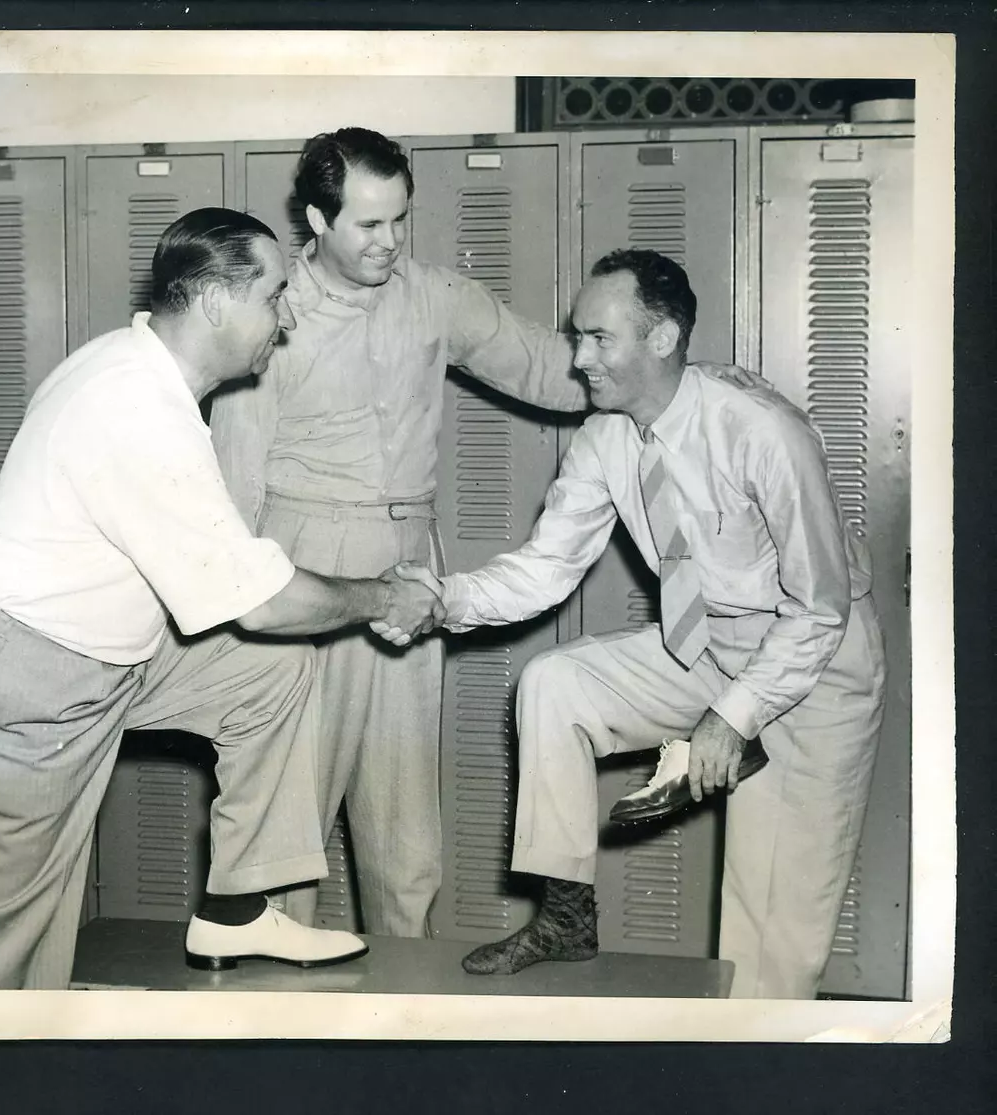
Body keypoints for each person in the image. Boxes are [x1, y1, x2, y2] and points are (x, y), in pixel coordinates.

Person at [210, 127, 755, 939]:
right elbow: (232, 482)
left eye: (400, 219)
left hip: (406, 569)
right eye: (367, 224)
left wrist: (683, 376)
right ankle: (278, 1010)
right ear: (318, 220)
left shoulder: (436, 297)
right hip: (302, 569)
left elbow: (555, 369)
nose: (389, 242)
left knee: (405, 827)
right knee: (289, 817)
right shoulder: (274, 318)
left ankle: (403, 1010)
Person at [0, 207, 443, 990]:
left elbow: (238, 606)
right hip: (16, 687)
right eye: (273, 296)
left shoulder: (135, 367)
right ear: (216, 302)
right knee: (11, 960)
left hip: (95, 658)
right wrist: (384, 596)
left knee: (264, 673)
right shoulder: (139, 408)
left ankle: (237, 908)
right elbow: (261, 601)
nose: (287, 315)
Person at [389, 248, 886, 999]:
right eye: (577, 337)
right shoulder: (607, 439)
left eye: (597, 338)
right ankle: (567, 915)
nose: (578, 358)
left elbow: (820, 608)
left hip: (813, 665)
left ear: (661, 338)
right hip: (710, 644)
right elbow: (546, 569)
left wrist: (733, 717)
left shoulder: (759, 431)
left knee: (772, 933)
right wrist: (444, 599)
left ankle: (755, 1070)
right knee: (554, 683)